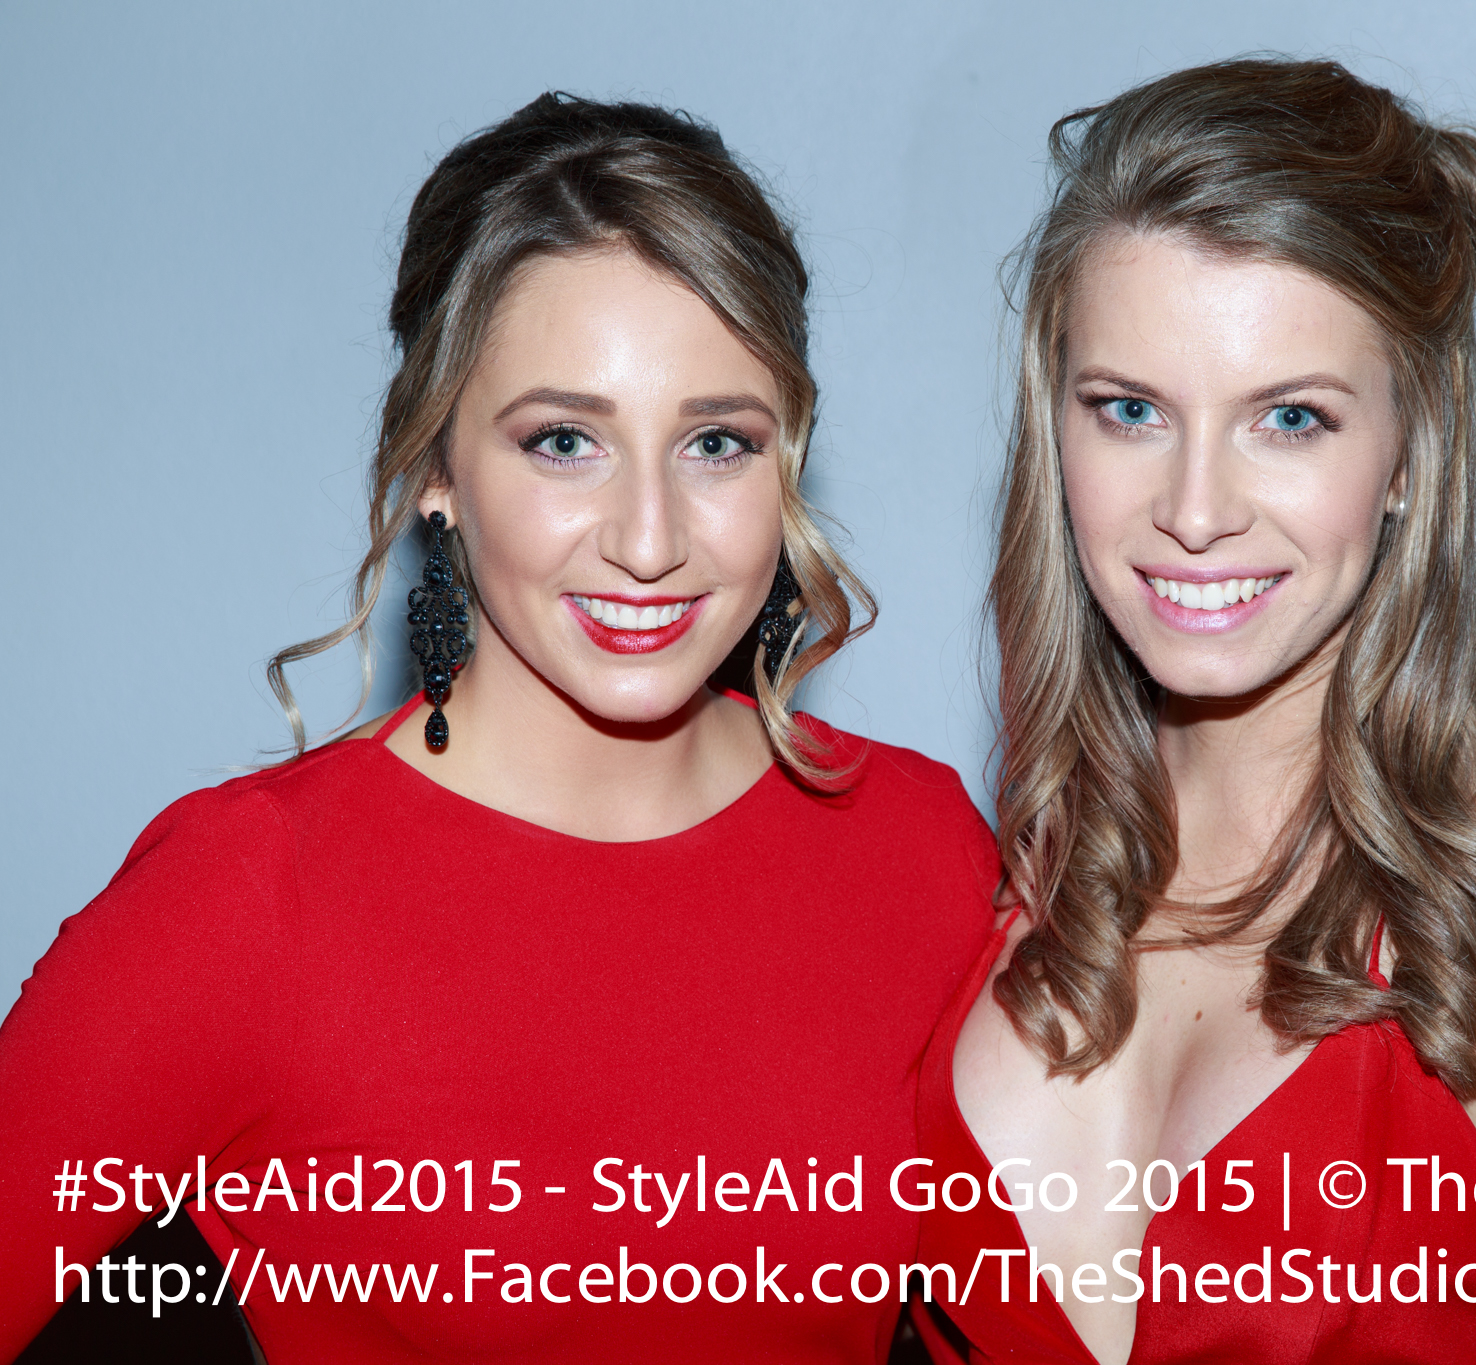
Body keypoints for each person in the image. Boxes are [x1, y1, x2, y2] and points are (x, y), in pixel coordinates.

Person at [0, 94, 997, 1363]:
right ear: (437, 468)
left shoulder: (915, 846)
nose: (648, 540)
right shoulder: (249, 894)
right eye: (564, 441)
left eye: (715, 442)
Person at [915, 59, 1476, 1364]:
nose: (1195, 511)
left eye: (1290, 419)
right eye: (1129, 411)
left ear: (1411, 450)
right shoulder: (991, 869)